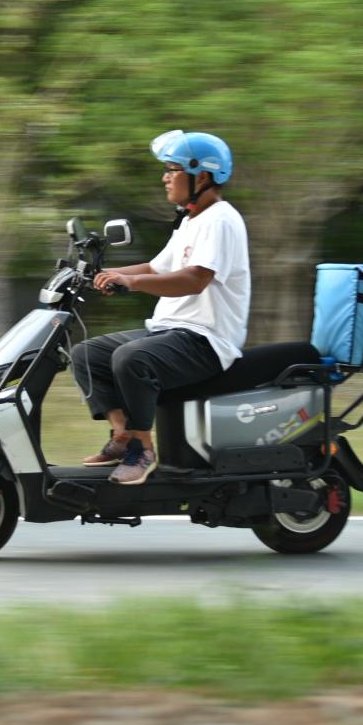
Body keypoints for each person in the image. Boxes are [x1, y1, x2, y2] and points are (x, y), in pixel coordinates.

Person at [70, 130, 251, 486]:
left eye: (172, 169)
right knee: (86, 354)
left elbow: (195, 278)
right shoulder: (191, 219)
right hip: (171, 332)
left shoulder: (221, 220)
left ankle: (143, 448)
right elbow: (157, 268)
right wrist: (100, 274)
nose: (165, 177)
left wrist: (131, 283)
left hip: (207, 340)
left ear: (200, 176)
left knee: (131, 358)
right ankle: (122, 437)